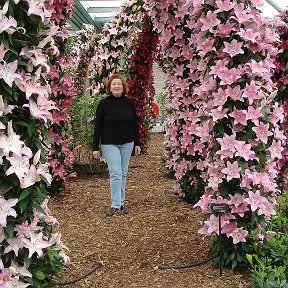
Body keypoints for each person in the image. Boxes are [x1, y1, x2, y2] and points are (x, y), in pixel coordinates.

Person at [92, 74, 141, 216]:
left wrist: (137, 143)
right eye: (114, 84)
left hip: (127, 143)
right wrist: (95, 147)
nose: (117, 86)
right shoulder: (104, 104)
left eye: (119, 84)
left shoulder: (130, 103)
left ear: (123, 86)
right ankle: (115, 204)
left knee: (123, 173)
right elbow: (97, 127)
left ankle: (121, 203)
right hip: (109, 143)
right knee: (115, 173)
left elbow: (134, 125)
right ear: (109, 87)